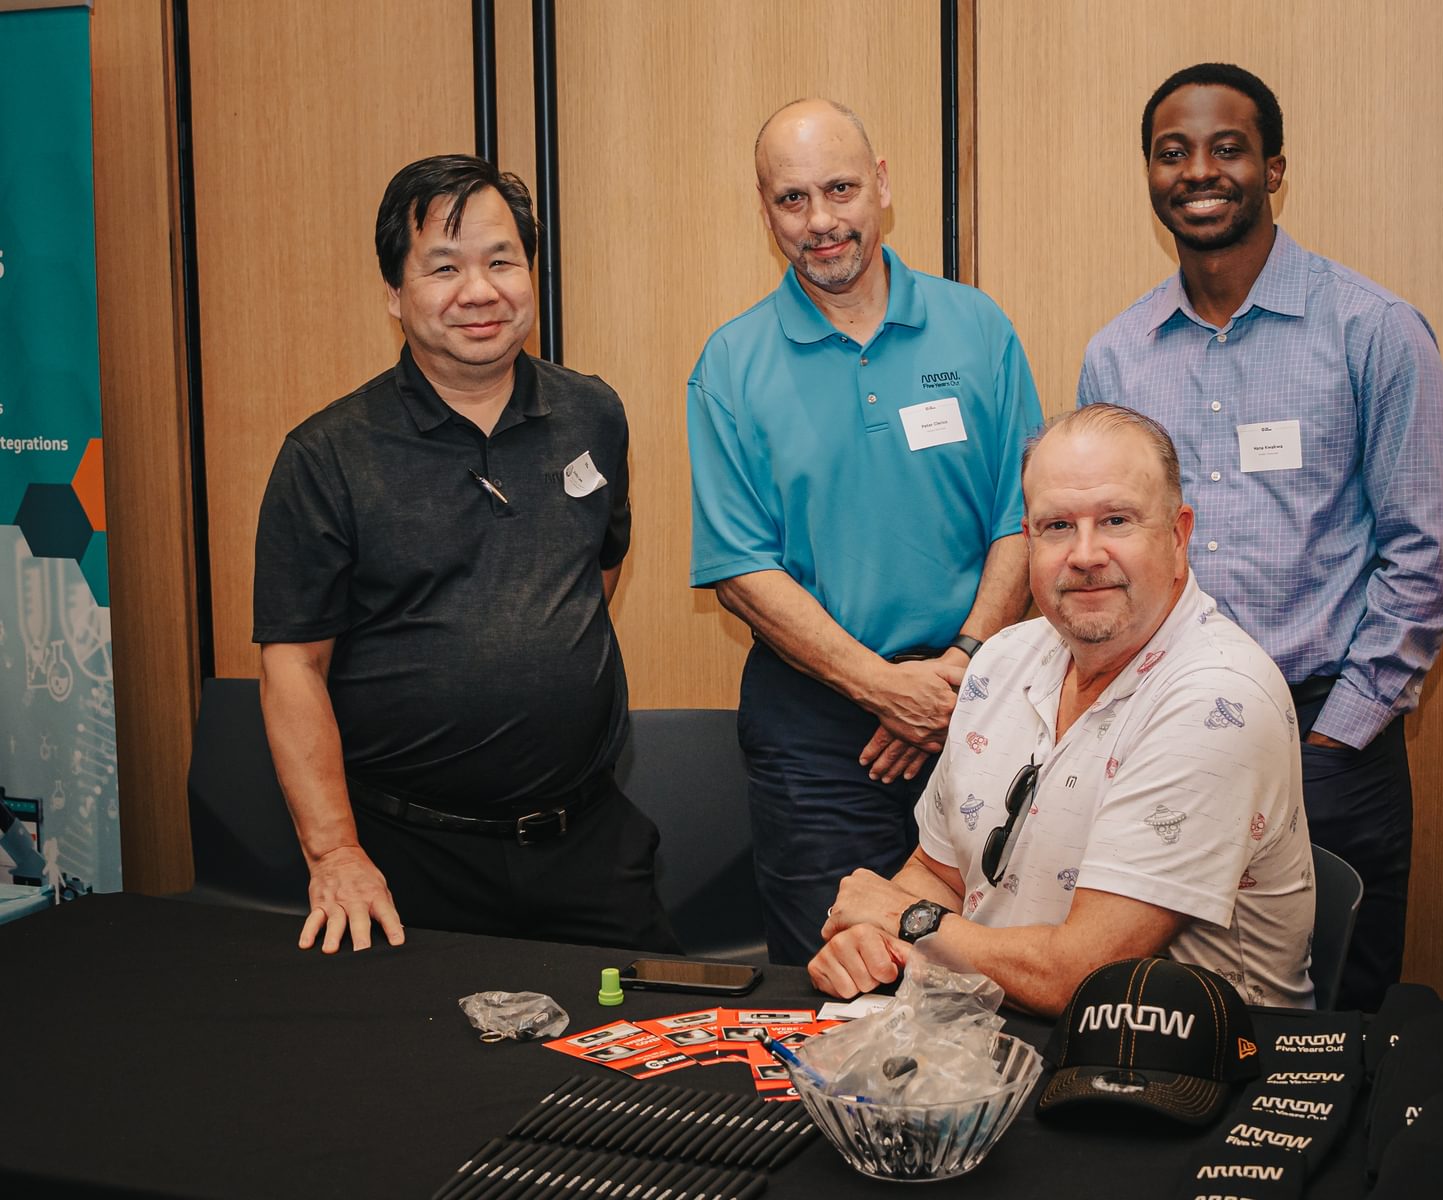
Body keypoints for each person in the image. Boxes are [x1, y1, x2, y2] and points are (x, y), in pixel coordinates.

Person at [1078, 63, 1443, 1011]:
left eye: (1227, 147)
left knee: (1341, 1016)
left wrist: (1337, 738)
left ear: (1274, 168)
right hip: (1163, 740)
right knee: (1168, 1012)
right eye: (1174, 152)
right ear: (1149, 174)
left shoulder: (1372, 331)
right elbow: (1103, 553)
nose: (1199, 170)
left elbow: (1423, 554)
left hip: (1325, 740)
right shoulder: (1117, 355)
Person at [254, 154, 677, 955]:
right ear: (394, 293)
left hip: (587, 842)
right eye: (443, 267)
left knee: (652, 1062)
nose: (479, 291)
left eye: (500, 261)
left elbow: (595, 569)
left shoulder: (591, 413)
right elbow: (291, 668)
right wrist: (336, 854)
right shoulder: (327, 455)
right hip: (408, 859)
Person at [808, 405, 1314, 1016]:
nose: (1085, 553)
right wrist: (871, 940)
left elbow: (1081, 977)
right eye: (1056, 527)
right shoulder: (1001, 660)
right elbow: (938, 873)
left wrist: (901, 917)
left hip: (1186, 1074)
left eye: (1116, 520)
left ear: (1178, 535)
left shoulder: (1219, 698)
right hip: (989, 1035)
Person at [687, 99, 1043, 965]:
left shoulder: (978, 328)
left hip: (983, 701)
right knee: (842, 977)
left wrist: (952, 673)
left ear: (882, 184)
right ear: (765, 208)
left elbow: (1024, 518)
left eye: (840, 189)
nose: (822, 222)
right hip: (817, 734)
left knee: (989, 974)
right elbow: (742, 569)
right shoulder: (731, 365)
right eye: (792, 199)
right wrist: (884, 688)